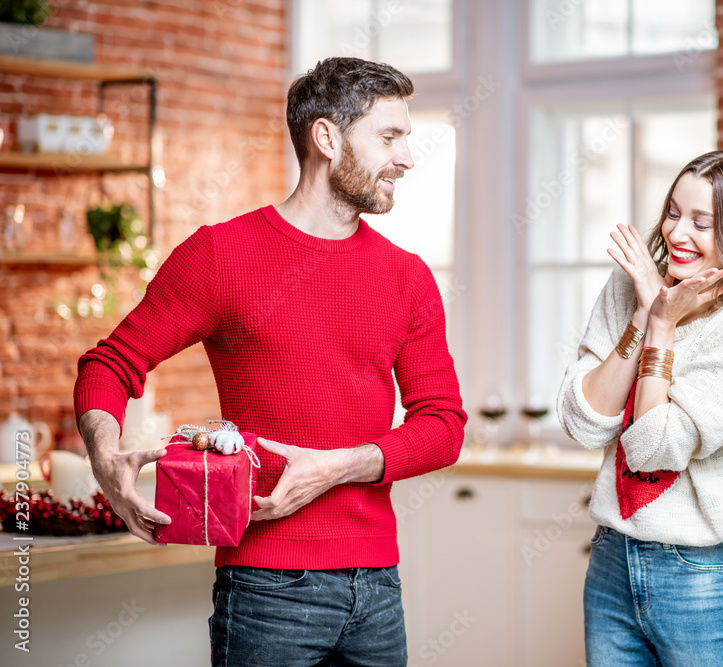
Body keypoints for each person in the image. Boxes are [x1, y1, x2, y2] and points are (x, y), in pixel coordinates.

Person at [74, 57, 467, 667]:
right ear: (328, 139)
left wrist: (335, 467)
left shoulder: (407, 277)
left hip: (379, 588)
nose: (407, 158)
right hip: (265, 589)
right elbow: (110, 363)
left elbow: (443, 426)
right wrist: (105, 459)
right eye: (390, 137)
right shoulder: (219, 257)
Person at [556, 150, 723, 666]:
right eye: (674, 213)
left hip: (701, 573)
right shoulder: (632, 285)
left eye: (703, 223)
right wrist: (644, 310)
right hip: (613, 556)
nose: (678, 233)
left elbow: (654, 449)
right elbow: (584, 421)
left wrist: (662, 326)